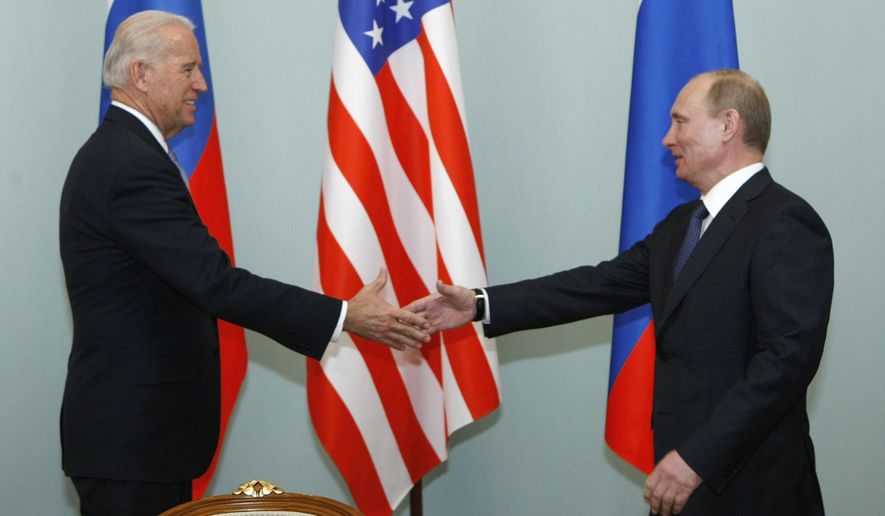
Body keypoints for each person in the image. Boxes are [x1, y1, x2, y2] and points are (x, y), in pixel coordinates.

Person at [406, 69, 833, 516]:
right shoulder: (682, 225)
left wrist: (697, 458)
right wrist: (479, 304)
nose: (668, 139)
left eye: (680, 122)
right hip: (683, 483)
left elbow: (786, 362)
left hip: (752, 488)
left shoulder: (784, 222)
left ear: (728, 125)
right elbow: (595, 285)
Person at [59, 11, 429, 516]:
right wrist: (345, 315)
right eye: (188, 69)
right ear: (141, 75)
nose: (201, 84)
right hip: (132, 437)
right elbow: (216, 284)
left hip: (140, 436)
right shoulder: (130, 165)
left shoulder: (126, 154)